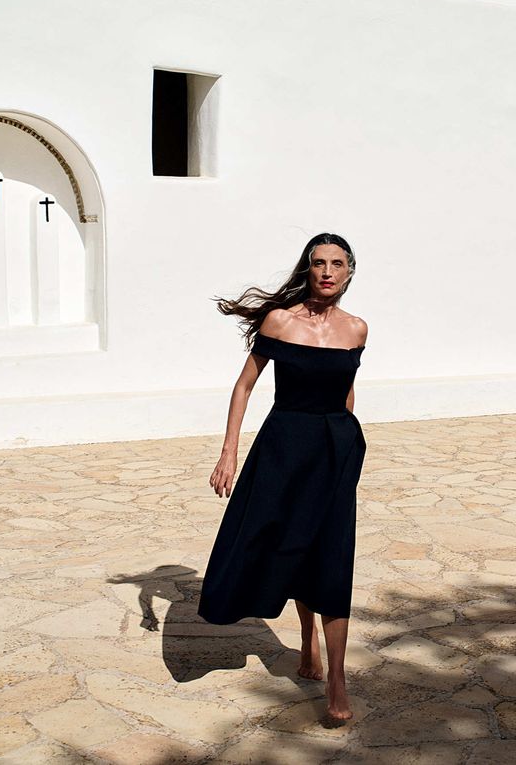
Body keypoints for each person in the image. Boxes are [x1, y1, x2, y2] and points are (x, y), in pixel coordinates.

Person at [198, 232, 368, 722]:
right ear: (307, 268)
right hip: (283, 448)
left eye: (338, 263)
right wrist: (228, 452)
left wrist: (347, 449)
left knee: (331, 552)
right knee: (289, 542)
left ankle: (337, 678)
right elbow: (244, 385)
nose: (328, 271)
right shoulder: (279, 321)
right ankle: (305, 639)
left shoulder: (357, 328)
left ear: (350, 271)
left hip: (335, 451)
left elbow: (346, 392)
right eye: (319, 263)